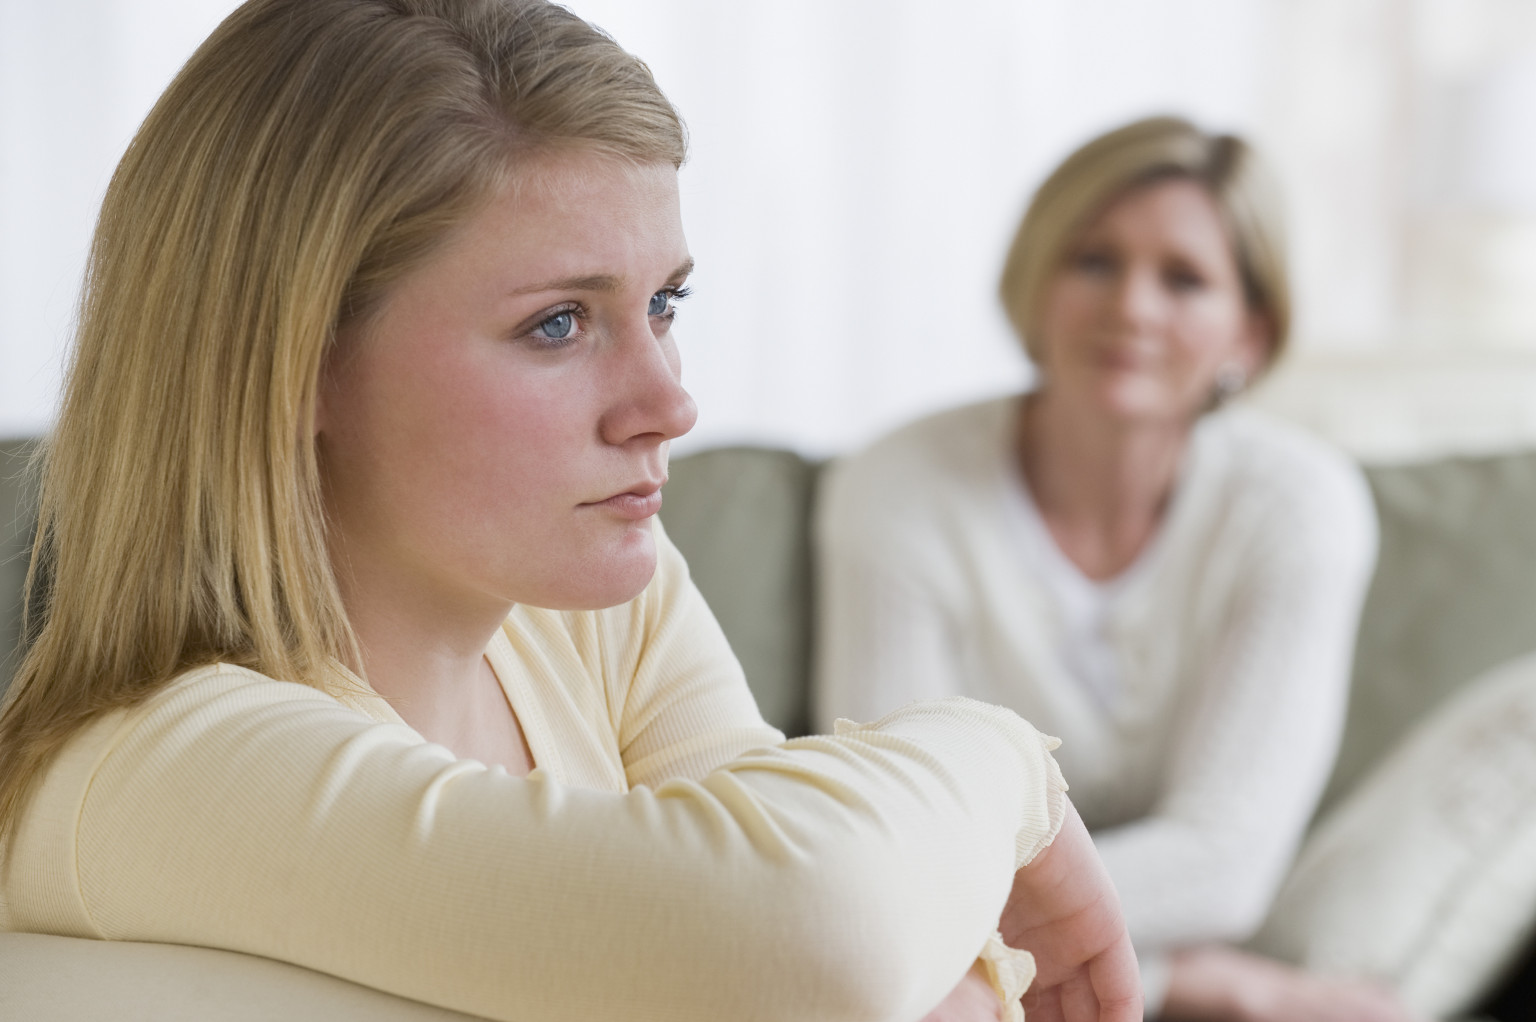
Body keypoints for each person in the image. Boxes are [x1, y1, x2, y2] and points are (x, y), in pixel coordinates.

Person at [0, 2, 1140, 1021]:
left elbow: (846, 939)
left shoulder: (595, 605)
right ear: (292, 365)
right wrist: (1009, 767)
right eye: (558, 323)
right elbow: (816, 933)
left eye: (664, 302)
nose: (669, 403)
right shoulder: (156, 774)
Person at [815, 117, 1411, 1021]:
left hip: (999, 935)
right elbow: (905, 833)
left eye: (1184, 279)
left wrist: (981, 936)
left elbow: (1226, 861)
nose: (1132, 306)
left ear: (1249, 333)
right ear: (1037, 281)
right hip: (958, 936)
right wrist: (1197, 982)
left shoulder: (1300, 505)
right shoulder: (899, 488)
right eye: (1095, 261)